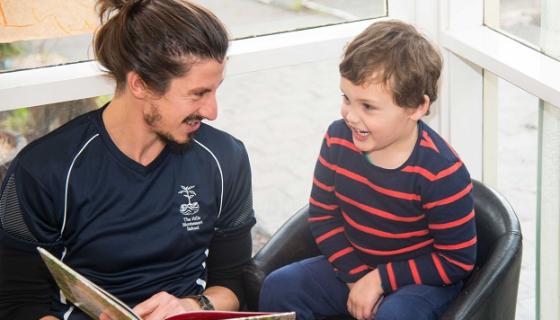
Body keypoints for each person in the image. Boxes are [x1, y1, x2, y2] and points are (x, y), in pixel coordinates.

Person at [0, 1, 256, 319]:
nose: (212, 111)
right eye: (197, 93)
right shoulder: (44, 171)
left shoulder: (225, 158)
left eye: (215, 90)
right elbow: (18, 301)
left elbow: (235, 281)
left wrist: (190, 306)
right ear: (140, 84)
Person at [259, 20, 477, 320]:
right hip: (355, 266)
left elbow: (457, 261)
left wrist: (380, 280)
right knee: (280, 287)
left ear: (416, 107)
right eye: (346, 98)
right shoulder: (337, 140)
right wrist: (357, 277)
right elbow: (323, 215)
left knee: (395, 315)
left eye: (368, 107)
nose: (350, 115)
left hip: (422, 283)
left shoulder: (441, 173)